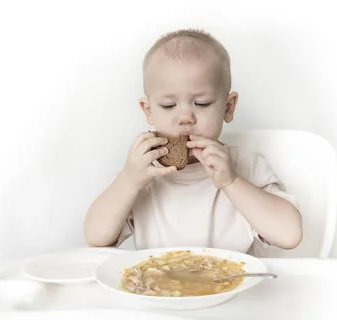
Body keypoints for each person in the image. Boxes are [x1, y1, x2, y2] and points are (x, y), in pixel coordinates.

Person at [84, 29, 302, 256]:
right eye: (169, 106)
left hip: (232, 287)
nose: (186, 117)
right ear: (148, 111)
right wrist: (128, 180)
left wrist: (232, 182)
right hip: (160, 288)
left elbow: (290, 234)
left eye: (202, 103)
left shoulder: (245, 165)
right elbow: (95, 237)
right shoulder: (143, 174)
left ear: (228, 108)